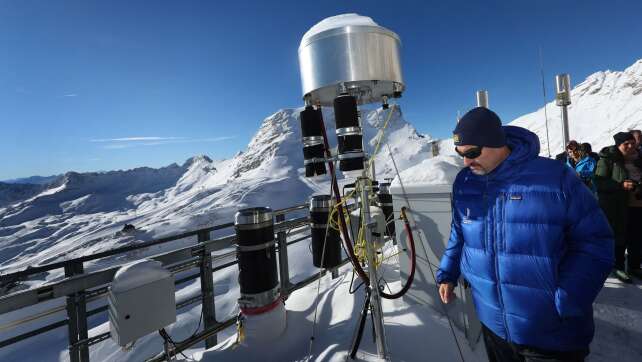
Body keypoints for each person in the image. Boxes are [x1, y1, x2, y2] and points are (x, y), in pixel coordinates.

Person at [437, 107, 614, 362]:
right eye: (460, 154)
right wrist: (448, 273)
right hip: (493, 326)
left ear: (495, 143)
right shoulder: (465, 182)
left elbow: (596, 241)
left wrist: (567, 299)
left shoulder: (555, 178)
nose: (465, 162)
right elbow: (459, 231)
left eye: (472, 153)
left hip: (550, 333)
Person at [595, 132, 642, 282]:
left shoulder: (639, 157)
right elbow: (599, 182)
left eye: (632, 143)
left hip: (637, 204)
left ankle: (634, 267)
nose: (630, 146)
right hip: (617, 205)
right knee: (620, 236)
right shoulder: (608, 159)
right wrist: (621, 185)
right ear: (618, 145)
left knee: (637, 237)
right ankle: (619, 267)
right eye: (625, 144)